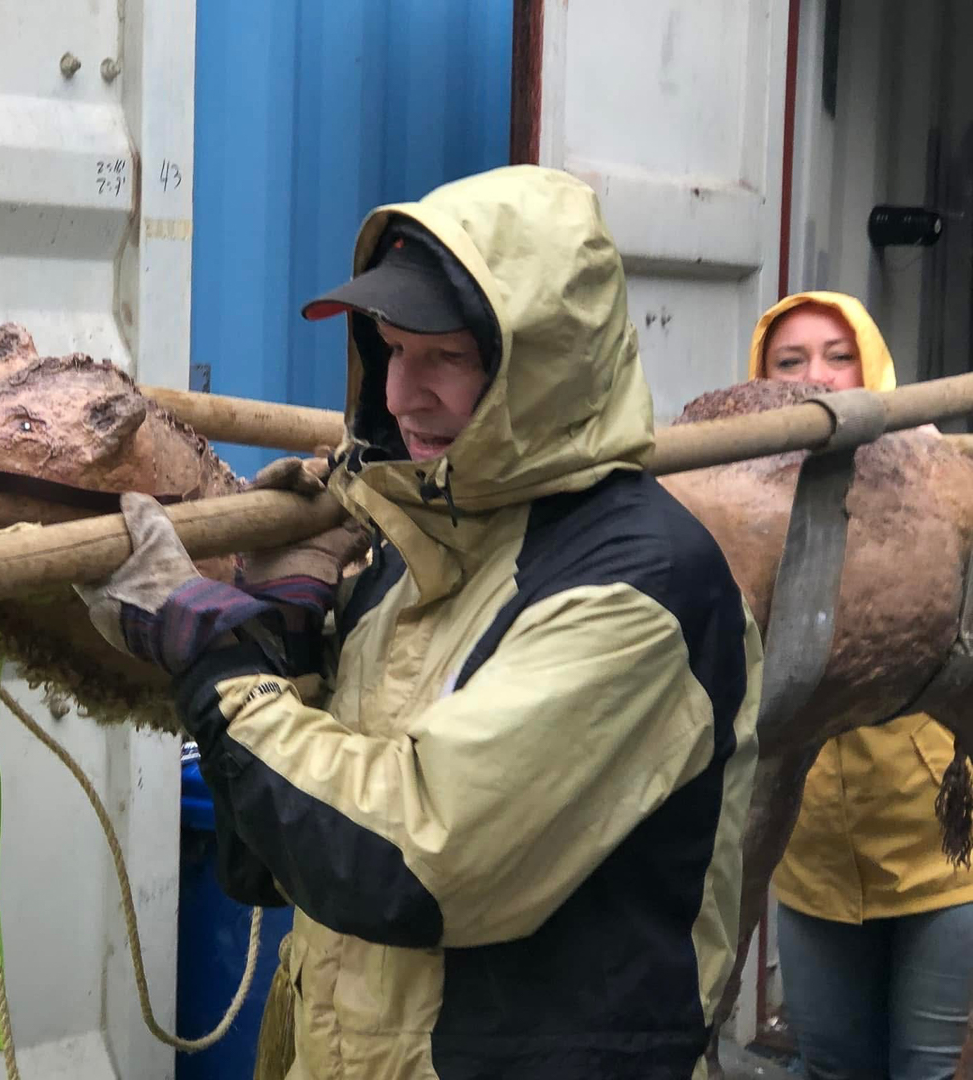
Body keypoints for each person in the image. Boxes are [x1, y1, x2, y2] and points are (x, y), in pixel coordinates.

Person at [76, 165, 763, 1078]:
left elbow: (409, 862)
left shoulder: (636, 588)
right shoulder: (414, 549)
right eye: (392, 350)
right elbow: (277, 865)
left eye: (445, 356)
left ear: (546, 364)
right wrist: (285, 636)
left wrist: (213, 656)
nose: (402, 395)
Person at [753, 292, 973, 1080]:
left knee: (928, 1068)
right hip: (811, 864)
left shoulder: (943, 487)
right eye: (790, 361)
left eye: (838, 356)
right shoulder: (744, 501)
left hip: (939, 860)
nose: (816, 377)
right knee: (833, 1065)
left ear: (873, 365)